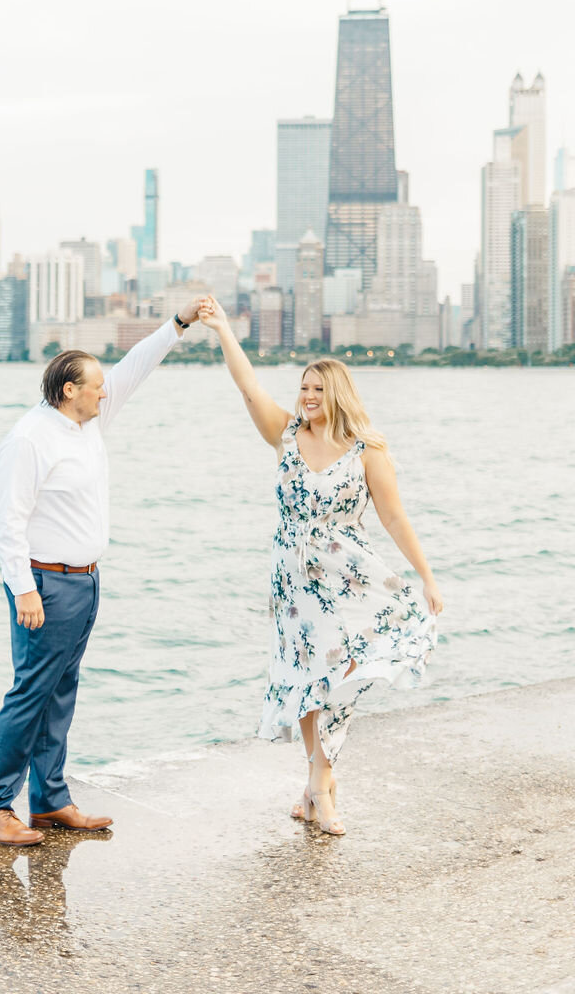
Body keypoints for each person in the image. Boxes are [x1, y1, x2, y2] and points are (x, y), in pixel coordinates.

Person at [197, 296, 443, 836]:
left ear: (338, 395)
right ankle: (317, 788)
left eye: (317, 389)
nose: (307, 396)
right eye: (304, 388)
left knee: (337, 679)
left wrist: (425, 576)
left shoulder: (366, 451)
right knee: (306, 682)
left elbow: (395, 518)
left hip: (346, 579)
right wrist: (222, 330)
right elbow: (248, 386)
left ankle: (320, 788)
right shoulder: (286, 436)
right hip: (291, 584)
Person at [0, 301, 204, 845]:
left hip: (85, 581)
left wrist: (180, 323)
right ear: (68, 389)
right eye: (95, 385)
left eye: (104, 385)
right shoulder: (31, 437)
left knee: (61, 690)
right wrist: (24, 590)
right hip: (46, 584)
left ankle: (50, 802)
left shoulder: (88, 419)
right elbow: (6, 521)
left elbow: (135, 367)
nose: (106, 391)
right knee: (31, 693)